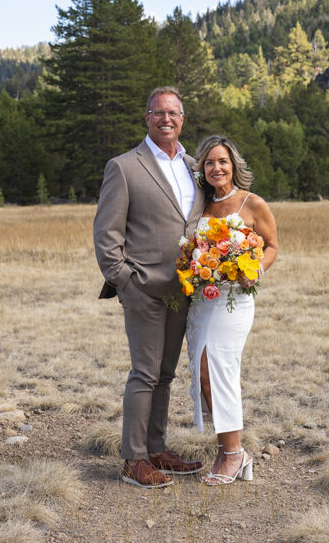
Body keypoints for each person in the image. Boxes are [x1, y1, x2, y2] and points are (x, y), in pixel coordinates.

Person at [93, 86, 207, 488]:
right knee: (144, 373)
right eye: (158, 113)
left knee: (165, 374)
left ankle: (157, 449)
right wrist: (126, 282)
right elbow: (106, 235)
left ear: (182, 119)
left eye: (174, 113)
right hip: (142, 287)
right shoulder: (124, 167)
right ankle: (133, 460)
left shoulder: (195, 166)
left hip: (182, 290)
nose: (166, 120)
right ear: (147, 118)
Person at [187, 135, 278, 485]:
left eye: (222, 161)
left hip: (235, 299)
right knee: (202, 371)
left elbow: (271, 246)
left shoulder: (252, 204)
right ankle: (229, 449)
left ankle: (233, 454)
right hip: (203, 300)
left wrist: (253, 270)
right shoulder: (201, 207)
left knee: (218, 368)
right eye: (209, 162)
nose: (216, 168)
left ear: (233, 165)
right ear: (203, 169)